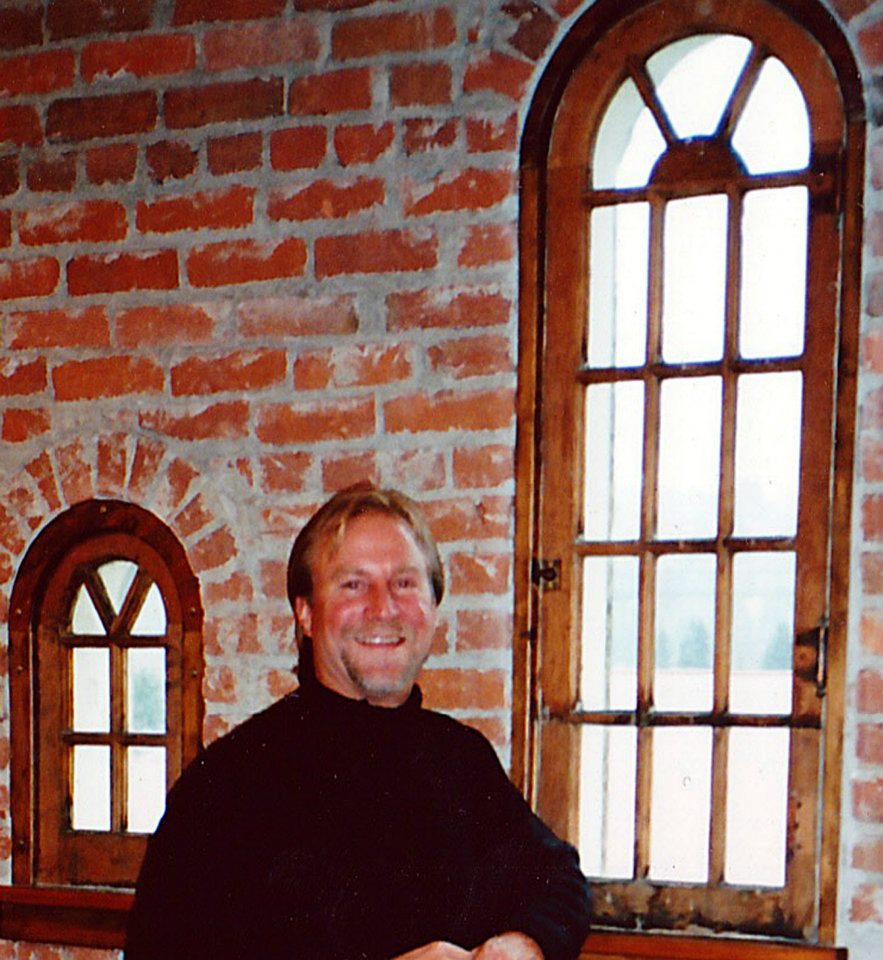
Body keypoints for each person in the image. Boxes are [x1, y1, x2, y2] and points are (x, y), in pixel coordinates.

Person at [125, 485, 592, 960]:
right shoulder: (225, 787)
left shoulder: (462, 760)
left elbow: (556, 877)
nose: (384, 608)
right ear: (306, 613)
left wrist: (523, 943)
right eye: (353, 584)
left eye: (405, 583)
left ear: (433, 610)